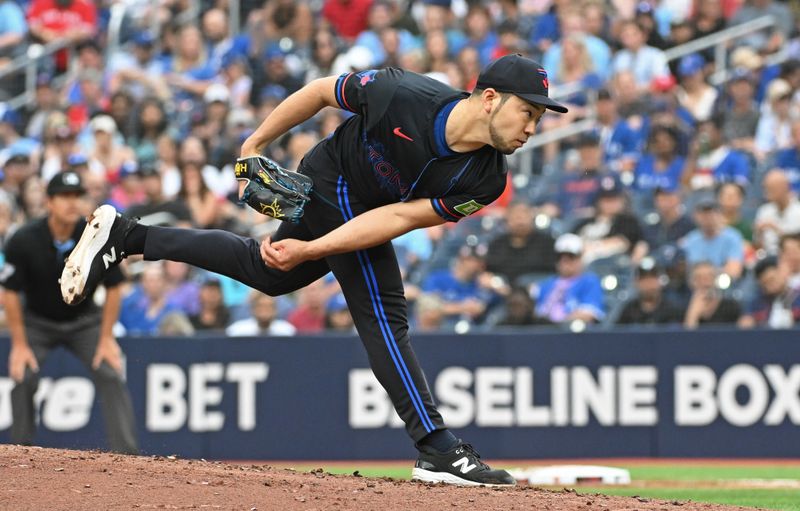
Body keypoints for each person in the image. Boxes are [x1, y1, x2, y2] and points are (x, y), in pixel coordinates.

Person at [61, 53, 568, 486]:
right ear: (489, 99)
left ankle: (130, 236)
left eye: (538, 119)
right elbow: (323, 91)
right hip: (333, 177)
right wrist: (253, 145)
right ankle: (436, 447)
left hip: (366, 211)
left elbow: (395, 218)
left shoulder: (486, 179)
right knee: (383, 309)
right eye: (527, 112)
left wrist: (312, 250)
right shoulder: (402, 92)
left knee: (270, 275)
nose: (531, 128)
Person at [1, 172, 137, 454]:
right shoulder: (23, 239)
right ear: (49, 202)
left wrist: (106, 338)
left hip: (84, 321)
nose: (71, 203)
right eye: (64, 196)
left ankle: (127, 457)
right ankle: (20, 452)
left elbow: (115, 286)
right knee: (23, 375)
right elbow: (10, 291)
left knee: (111, 371)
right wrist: (20, 345)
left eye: (76, 196)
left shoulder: (94, 238)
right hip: (37, 322)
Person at [534, 233, 605, 325]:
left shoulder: (589, 281)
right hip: (543, 333)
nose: (564, 261)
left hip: (574, 335)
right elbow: (536, 313)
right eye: (560, 257)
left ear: (580, 258)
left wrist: (558, 325)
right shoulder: (546, 284)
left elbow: (588, 314)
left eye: (571, 257)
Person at [616, 257, 683, 325]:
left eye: (652, 278)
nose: (649, 284)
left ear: (660, 281)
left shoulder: (672, 310)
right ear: (637, 282)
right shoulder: (629, 311)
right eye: (644, 279)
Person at [739, 256, 800, 329]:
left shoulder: (797, 296)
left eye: (772, 279)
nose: (770, 286)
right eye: (765, 284)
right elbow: (745, 322)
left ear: (782, 271)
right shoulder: (757, 303)